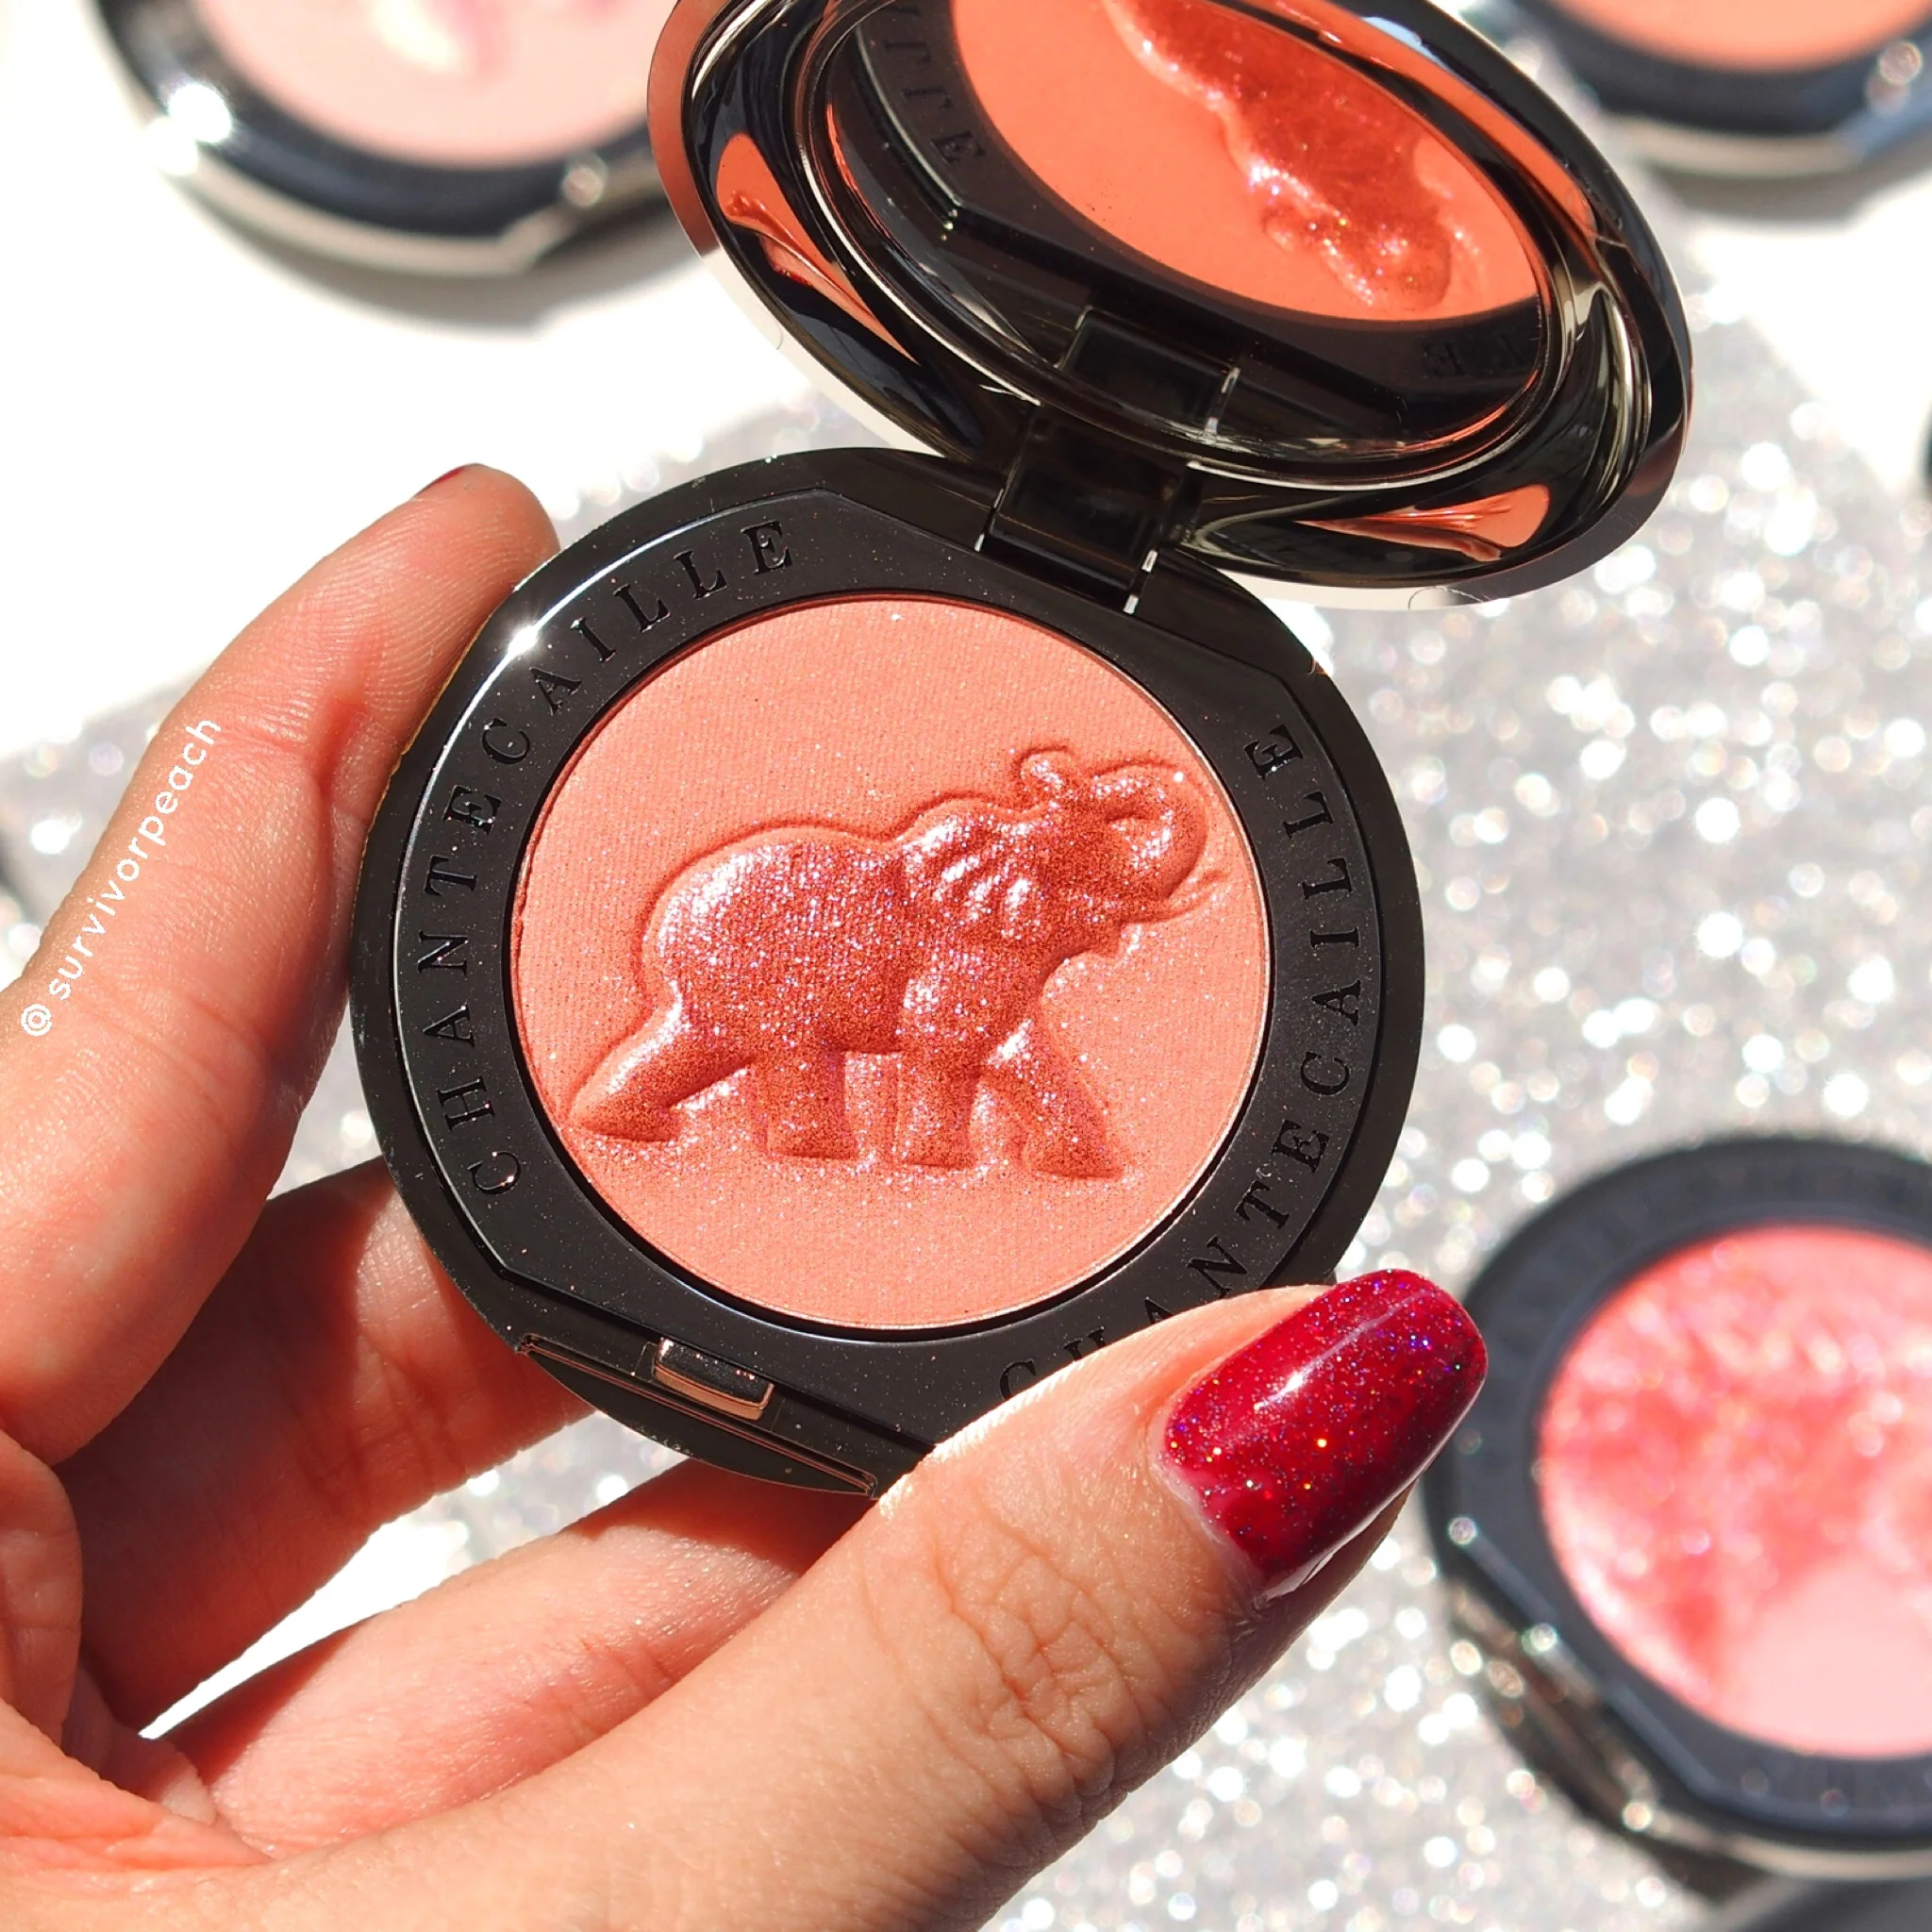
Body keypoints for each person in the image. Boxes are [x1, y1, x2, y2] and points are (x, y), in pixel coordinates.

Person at [0, 468, 1484, 1929]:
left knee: (743, 1062)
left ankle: (665, 1102)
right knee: (782, 1066)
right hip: (782, 938)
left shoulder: (992, 906)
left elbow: (987, 1038)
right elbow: (953, 1045)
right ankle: (722, 1112)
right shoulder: (967, 896)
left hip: (778, 938)